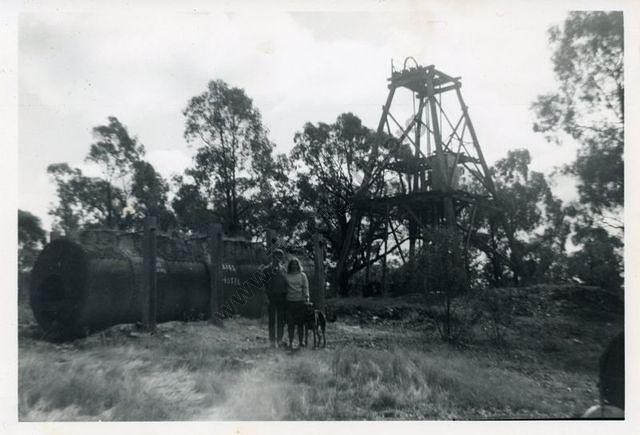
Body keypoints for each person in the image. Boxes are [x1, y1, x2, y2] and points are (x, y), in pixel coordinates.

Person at [285, 257, 309, 349]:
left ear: (298, 265)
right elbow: (285, 288)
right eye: (292, 264)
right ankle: (290, 342)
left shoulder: (302, 275)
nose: (294, 266)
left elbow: (305, 288)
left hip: (300, 301)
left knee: (300, 323)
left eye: (296, 264)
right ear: (290, 266)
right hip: (290, 301)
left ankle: (301, 342)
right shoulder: (287, 276)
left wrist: (307, 297)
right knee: (290, 324)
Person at [265, 249, 287, 347]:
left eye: (280, 257)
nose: (278, 259)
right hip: (271, 297)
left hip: (282, 298)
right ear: (273, 257)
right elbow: (263, 285)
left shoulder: (283, 270)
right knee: (272, 320)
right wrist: (265, 297)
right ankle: (272, 341)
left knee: (281, 320)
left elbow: (286, 284)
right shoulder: (267, 269)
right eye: (277, 256)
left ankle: (280, 340)